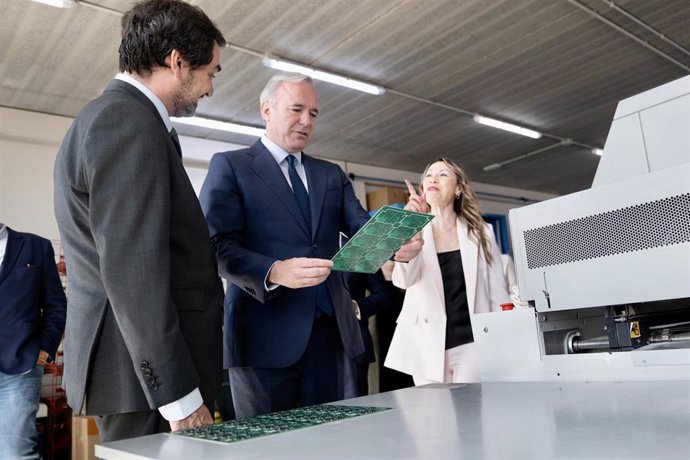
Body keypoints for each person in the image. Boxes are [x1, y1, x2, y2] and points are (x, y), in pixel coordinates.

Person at [200, 72, 422, 418]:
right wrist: (274, 270)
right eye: (297, 109)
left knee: (330, 442)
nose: (306, 121)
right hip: (262, 337)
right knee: (268, 448)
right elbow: (216, 246)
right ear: (267, 110)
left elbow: (361, 227)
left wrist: (396, 245)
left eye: (314, 114)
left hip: (330, 338)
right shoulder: (231, 167)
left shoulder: (331, 174)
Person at [53, 0, 226, 443]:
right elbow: (134, 271)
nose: (209, 89)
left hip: (136, 374)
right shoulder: (127, 121)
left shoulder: (117, 118)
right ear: (177, 62)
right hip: (144, 381)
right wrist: (180, 399)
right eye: (210, 72)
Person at [384, 158, 510, 385]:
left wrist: (503, 340)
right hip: (426, 344)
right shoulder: (414, 228)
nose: (433, 178)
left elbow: (498, 293)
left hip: (472, 343)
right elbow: (402, 281)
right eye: (429, 175)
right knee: (434, 418)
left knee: (471, 415)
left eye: (443, 174)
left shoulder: (481, 232)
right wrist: (409, 228)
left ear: (458, 189)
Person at [0, 224, 67, 459]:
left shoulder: (35, 247)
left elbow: (56, 306)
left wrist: (45, 349)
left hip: (18, 371)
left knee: (15, 453)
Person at [346, 270, 403, 396]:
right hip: (308, 347)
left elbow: (384, 294)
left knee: (355, 409)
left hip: (353, 345)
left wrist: (355, 307)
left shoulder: (358, 251)